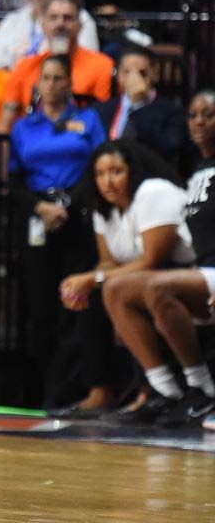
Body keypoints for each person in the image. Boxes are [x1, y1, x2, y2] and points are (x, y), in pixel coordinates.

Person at [54, 140, 192, 416]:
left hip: (185, 272)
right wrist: (81, 283)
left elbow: (154, 259)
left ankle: (154, 390)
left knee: (116, 290)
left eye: (116, 171)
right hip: (140, 279)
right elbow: (108, 262)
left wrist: (93, 279)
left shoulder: (153, 192)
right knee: (92, 296)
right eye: (100, 173)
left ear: (133, 171)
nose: (107, 181)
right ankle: (100, 389)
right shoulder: (103, 208)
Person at [102, 91, 215, 427]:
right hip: (202, 270)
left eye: (208, 115)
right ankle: (166, 391)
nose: (198, 123)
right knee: (116, 290)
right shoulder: (198, 170)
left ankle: (202, 388)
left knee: (155, 288)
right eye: (193, 115)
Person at [8, 54, 105, 406]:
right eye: (45, 78)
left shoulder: (86, 120)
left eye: (58, 78)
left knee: (76, 301)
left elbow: (99, 163)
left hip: (77, 214)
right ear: (38, 83)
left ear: (69, 83)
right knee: (40, 305)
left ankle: (76, 387)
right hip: (38, 216)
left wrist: (68, 205)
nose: (51, 84)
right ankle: (40, 391)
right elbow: (13, 179)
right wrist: (41, 207)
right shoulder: (24, 126)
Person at [0, 0, 114, 130]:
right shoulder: (24, 66)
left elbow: (103, 120)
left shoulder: (102, 66)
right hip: (31, 142)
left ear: (79, 26)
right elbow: (5, 123)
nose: (60, 24)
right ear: (43, 26)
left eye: (68, 18)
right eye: (53, 18)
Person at [94, 47, 187, 159]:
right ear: (118, 75)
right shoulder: (102, 110)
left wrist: (138, 104)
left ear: (155, 73)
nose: (134, 79)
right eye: (127, 72)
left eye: (142, 73)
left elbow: (166, 150)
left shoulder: (172, 112)